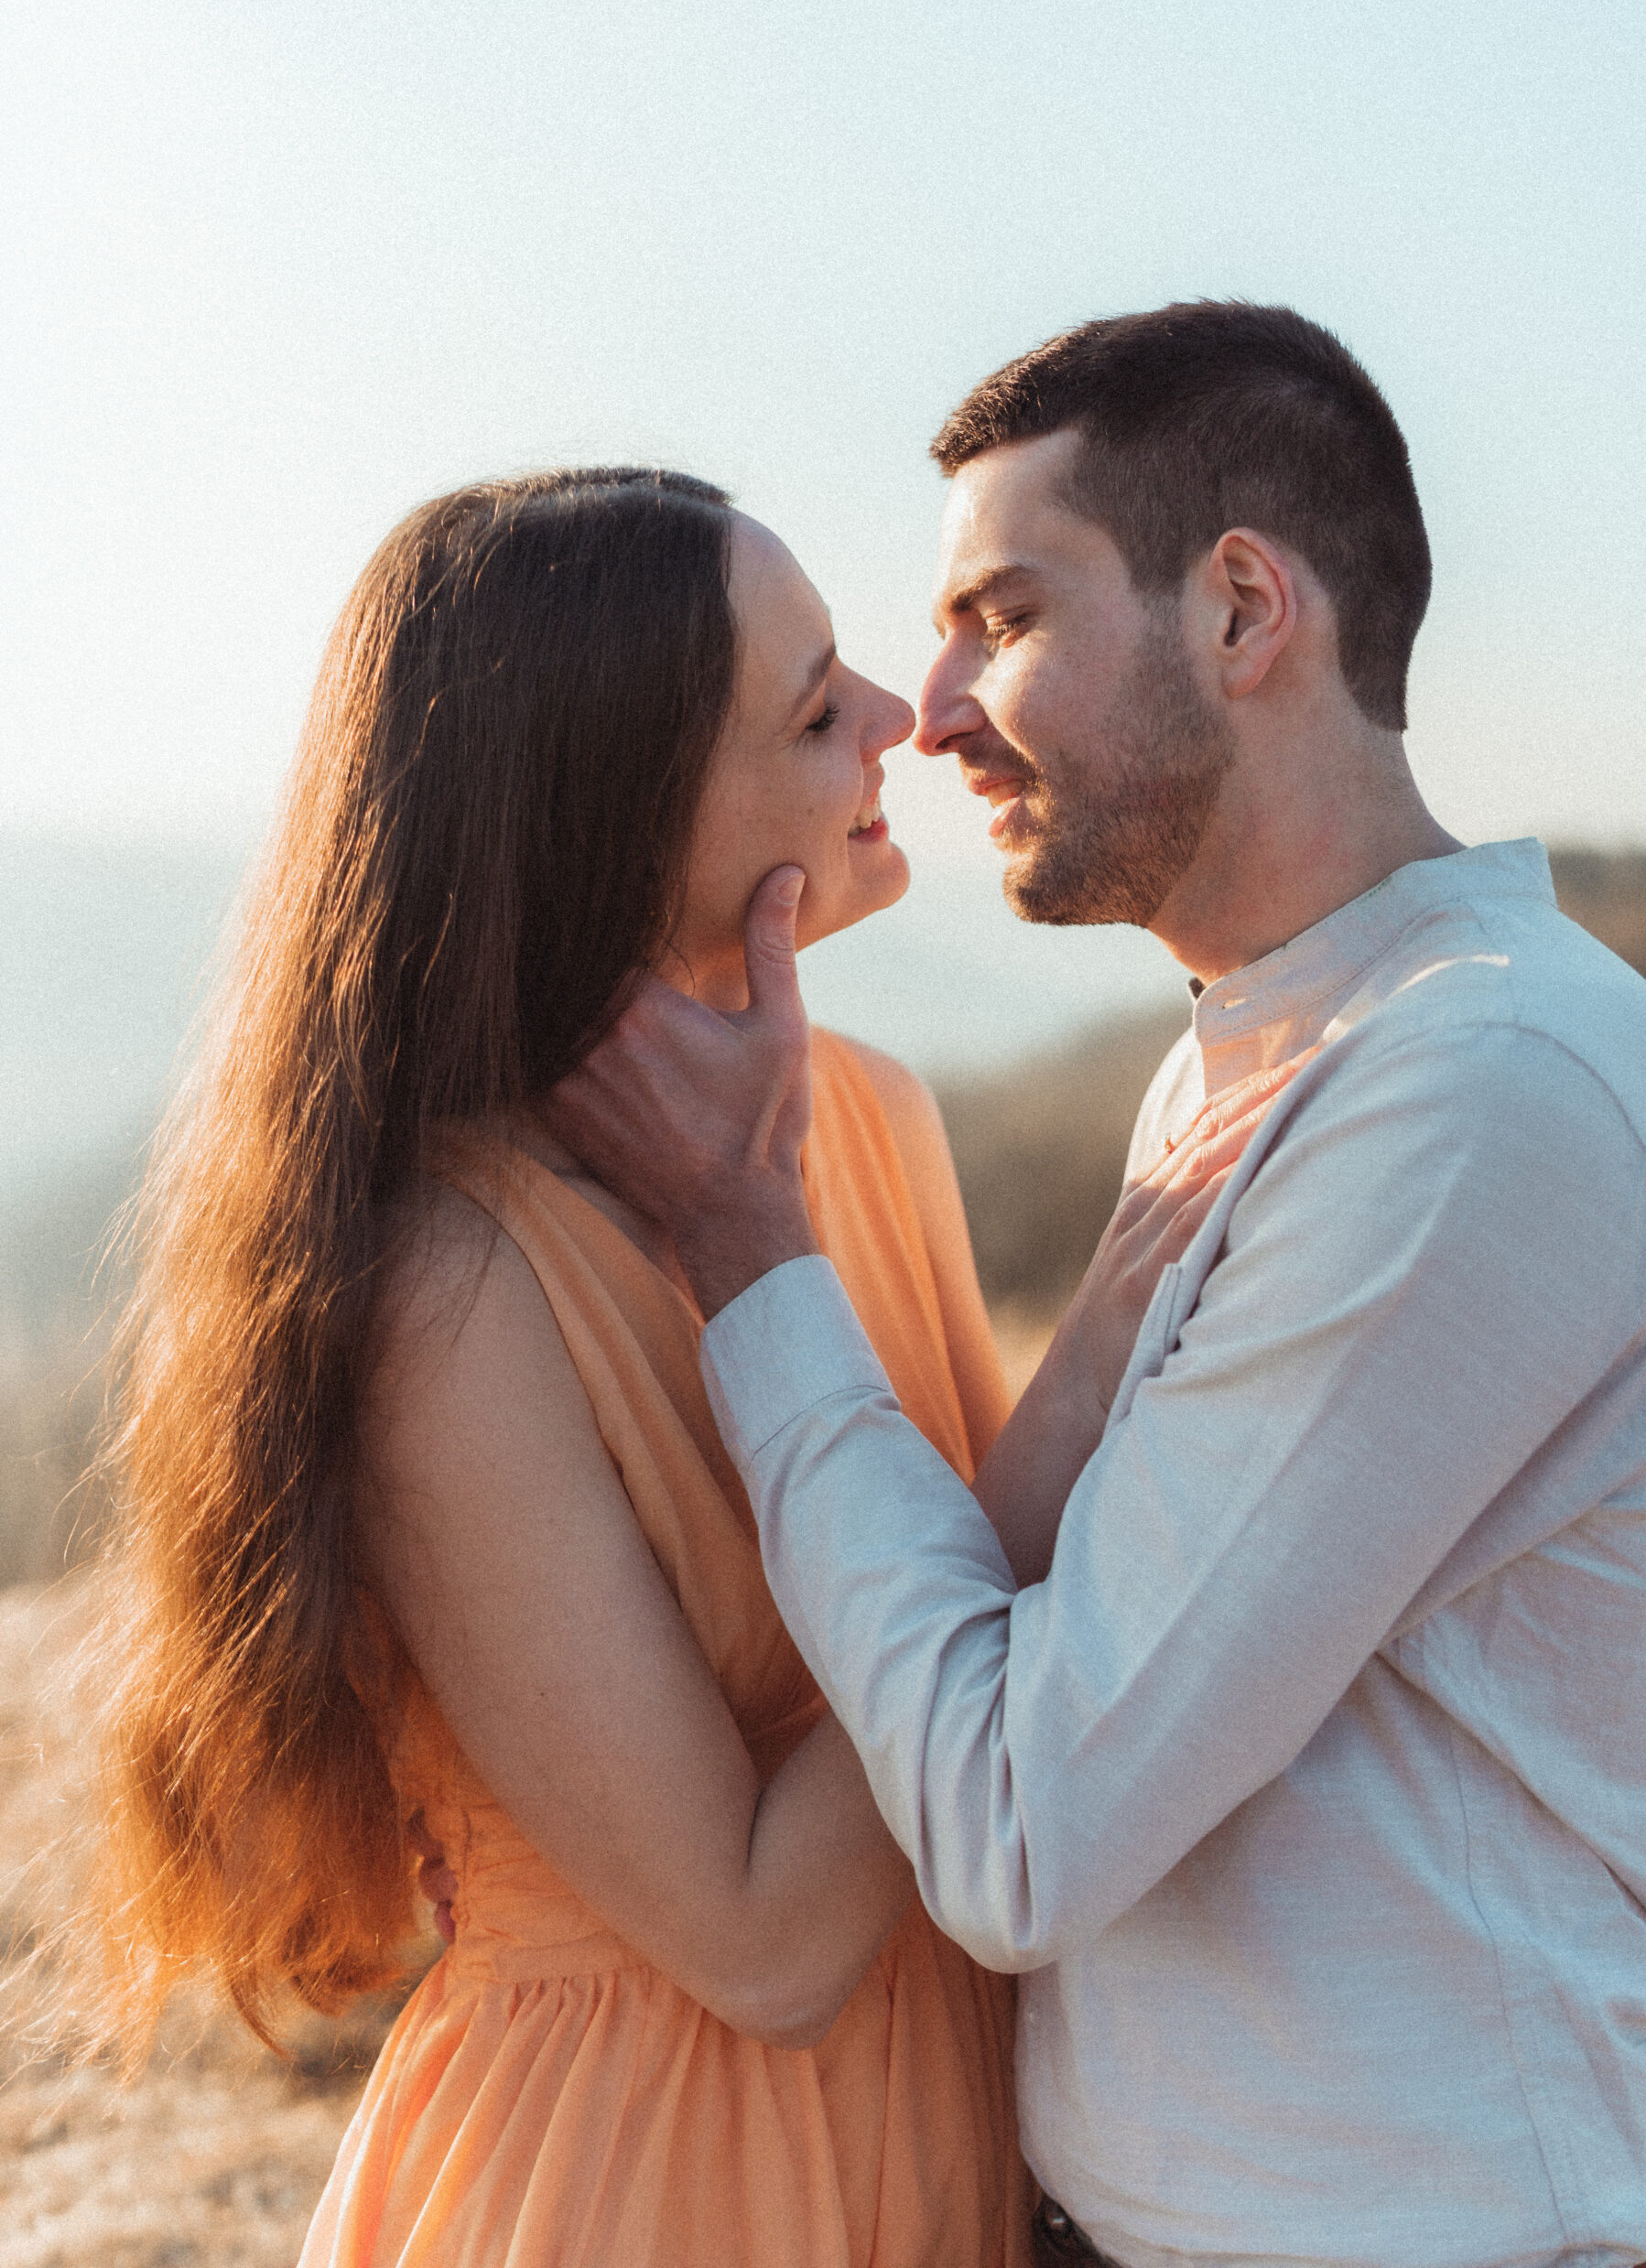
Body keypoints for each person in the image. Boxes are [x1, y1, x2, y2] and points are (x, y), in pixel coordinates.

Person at [547, 307, 1646, 2268]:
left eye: (1001, 615)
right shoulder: (1267, 1053)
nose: (932, 708)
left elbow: (1020, 1823)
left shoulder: (1481, 1091)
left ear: (1240, 609)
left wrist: (752, 1256)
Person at [80, 465, 1241, 2265]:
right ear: (610, 829)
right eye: (809, 706)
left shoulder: (869, 1116)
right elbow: (765, 1937)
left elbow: (1013, 1711)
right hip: (648, 2176)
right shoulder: (456, 1284)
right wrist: (1080, 1389)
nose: (897, 723)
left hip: (945, 2137)